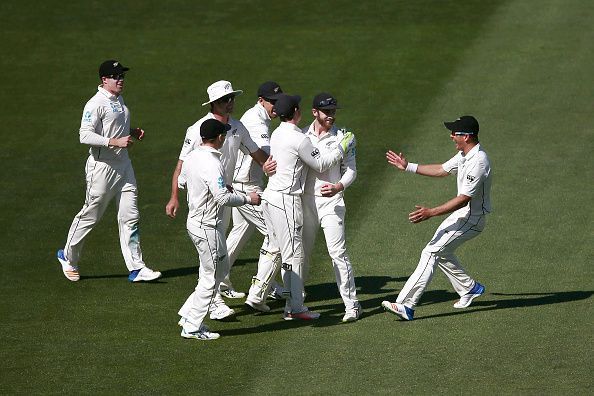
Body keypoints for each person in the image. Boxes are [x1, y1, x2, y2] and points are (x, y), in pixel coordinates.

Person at [168, 80, 272, 320]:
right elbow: (181, 164)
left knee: (217, 251)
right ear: (214, 103)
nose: (231, 103)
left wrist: (275, 169)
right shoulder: (197, 130)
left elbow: (257, 154)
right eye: (226, 100)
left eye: (232, 98)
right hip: (207, 196)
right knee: (211, 252)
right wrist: (174, 196)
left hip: (226, 193)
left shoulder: (238, 127)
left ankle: (201, 303)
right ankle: (209, 303)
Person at [56, 60, 161, 282]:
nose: (120, 80)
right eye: (116, 76)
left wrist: (131, 131)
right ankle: (68, 256)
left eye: (122, 76)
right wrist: (114, 141)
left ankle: (137, 267)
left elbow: (114, 125)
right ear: (104, 80)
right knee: (91, 215)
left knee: (130, 216)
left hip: (124, 166)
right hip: (102, 168)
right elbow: (84, 135)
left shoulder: (118, 99)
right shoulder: (95, 104)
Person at [252, 94, 354, 320]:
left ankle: (258, 293)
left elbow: (274, 161)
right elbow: (320, 163)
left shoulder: (277, 132)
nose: (332, 115)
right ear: (299, 112)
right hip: (287, 199)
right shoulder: (300, 137)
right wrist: (340, 148)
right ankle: (295, 307)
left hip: (271, 197)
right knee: (294, 254)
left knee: (275, 248)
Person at [381, 115, 491, 320]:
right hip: (463, 215)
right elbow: (442, 169)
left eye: (454, 133)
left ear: (466, 137)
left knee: (431, 252)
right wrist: (408, 166)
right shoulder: (465, 154)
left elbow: (463, 199)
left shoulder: (479, 161)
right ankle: (469, 287)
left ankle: (406, 305)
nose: (451, 136)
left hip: (472, 218)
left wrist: (431, 212)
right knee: (440, 251)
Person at [178, 119, 261, 340]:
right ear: (219, 138)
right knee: (212, 276)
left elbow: (182, 181)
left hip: (196, 222)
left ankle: (188, 313)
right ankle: (192, 326)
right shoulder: (213, 162)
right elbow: (223, 198)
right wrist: (248, 198)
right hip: (207, 226)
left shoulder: (193, 156)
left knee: (216, 271)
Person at [222, 81, 285, 302]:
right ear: (261, 101)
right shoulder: (256, 121)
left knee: (239, 232)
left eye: (278, 101)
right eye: (272, 102)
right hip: (248, 188)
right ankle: (264, 286)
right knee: (275, 234)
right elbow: (264, 153)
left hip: (243, 183)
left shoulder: (260, 117)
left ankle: (219, 280)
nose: (276, 106)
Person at [301, 93, 361, 322]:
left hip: (332, 203)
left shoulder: (344, 137)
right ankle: (297, 301)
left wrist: (338, 186)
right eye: (327, 112)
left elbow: (352, 170)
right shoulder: (302, 136)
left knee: (338, 253)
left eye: (334, 112)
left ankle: (352, 305)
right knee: (302, 254)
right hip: (306, 202)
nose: (331, 117)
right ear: (315, 112)